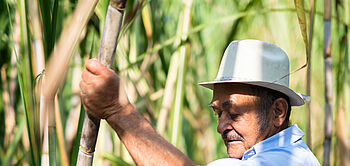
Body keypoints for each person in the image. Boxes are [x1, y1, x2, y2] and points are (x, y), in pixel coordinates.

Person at [80, 39, 320, 165]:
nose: (220, 127)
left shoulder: (283, 161)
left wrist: (118, 111)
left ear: (278, 111)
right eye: (218, 113)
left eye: (233, 113)